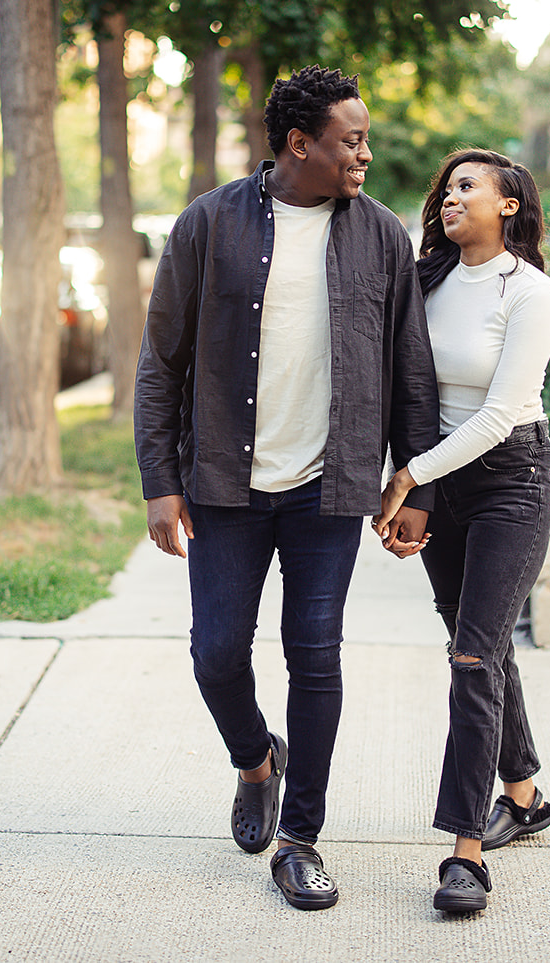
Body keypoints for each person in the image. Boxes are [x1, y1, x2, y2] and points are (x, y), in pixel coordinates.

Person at [135, 65, 439, 911]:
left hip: (328, 489)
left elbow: (410, 368)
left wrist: (416, 484)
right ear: (300, 144)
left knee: (316, 656)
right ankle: (255, 758)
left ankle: (301, 837)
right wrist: (160, 479)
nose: (365, 155)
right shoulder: (209, 223)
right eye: (352, 140)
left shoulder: (380, 235)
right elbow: (161, 360)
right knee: (217, 652)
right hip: (227, 485)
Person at [373, 148, 550, 914]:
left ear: (508, 203)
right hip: (438, 482)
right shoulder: (429, 279)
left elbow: (495, 414)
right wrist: (412, 480)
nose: (450, 197)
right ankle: (523, 794)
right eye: (446, 188)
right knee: (474, 642)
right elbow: (406, 388)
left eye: (468, 186)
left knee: (473, 655)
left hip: (511, 480)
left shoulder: (530, 292)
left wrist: (409, 476)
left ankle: (466, 853)